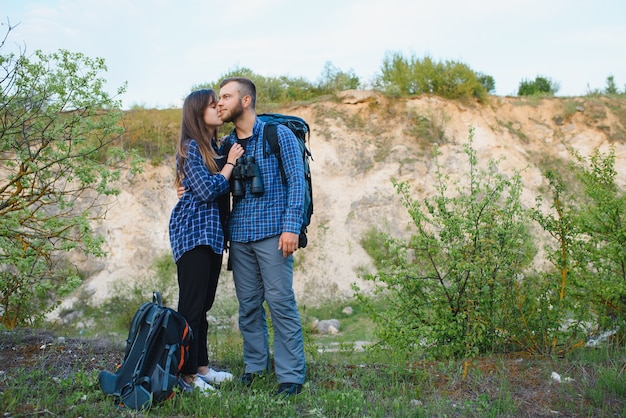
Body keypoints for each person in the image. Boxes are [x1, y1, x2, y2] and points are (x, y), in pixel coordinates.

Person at [217, 77, 306, 396]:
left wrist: (291, 226)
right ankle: (255, 367)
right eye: (218, 97)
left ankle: (291, 375)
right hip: (240, 235)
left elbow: (298, 181)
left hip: (274, 232)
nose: (220, 102)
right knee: (249, 306)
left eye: (226, 96)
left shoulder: (276, 134)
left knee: (281, 302)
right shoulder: (228, 144)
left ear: (245, 100)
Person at [168, 89, 244, 393]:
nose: (218, 108)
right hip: (192, 235)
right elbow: (206, 191)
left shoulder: (213, 147)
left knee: (203, 306)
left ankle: (201, 368)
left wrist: (226, 161)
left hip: (211, 236)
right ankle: (185, 376)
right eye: (213, 105)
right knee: (190, 307)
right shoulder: (190, 148)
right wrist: (230, 165)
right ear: (198, 113)